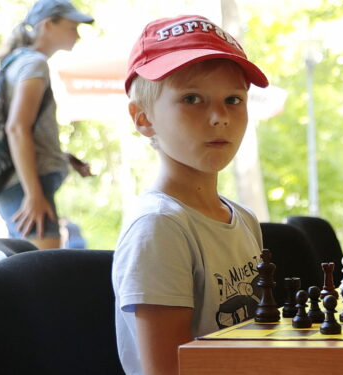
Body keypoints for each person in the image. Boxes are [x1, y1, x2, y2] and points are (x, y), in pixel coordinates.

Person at [112, 15, 269, 375]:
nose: (219, 117)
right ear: (143, 118)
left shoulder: (242, 218)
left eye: (233, 99)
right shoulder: (159, 228)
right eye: (192, 98)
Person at [0, 0, 93, 249]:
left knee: (25, 265)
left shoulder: (14, 63)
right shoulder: (34, 64)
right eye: (73, 27)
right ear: (48, 25)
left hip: (14, 179)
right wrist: (33, 194)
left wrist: (65, 158)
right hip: (25, 183)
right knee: (43, 272)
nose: (77, 35)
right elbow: (17, 128)